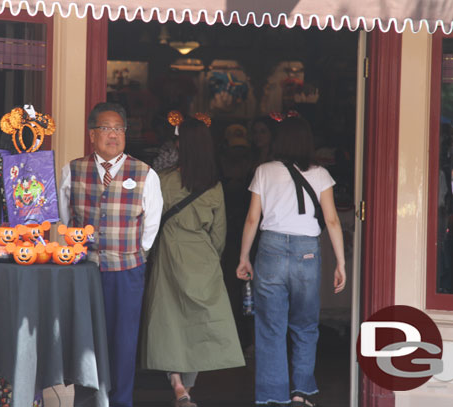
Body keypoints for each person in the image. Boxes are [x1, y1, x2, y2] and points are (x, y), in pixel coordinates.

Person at [235, 116, 346, 407]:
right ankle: (301, 393)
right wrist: (341, 262)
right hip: (307, 251)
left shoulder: (264, 171)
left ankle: (273, 395)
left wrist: (244, 256)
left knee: (270, 326)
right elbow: (332, 220)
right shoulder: (321, 174)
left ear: (279, 140)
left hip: (270, 249)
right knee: (305, 326)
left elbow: (251, 218)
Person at [59, 102, 163, 407]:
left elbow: (152, 222)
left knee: (123, 342)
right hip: (85, 270)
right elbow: (67, 218)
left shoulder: (144, 173)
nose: (113, 135)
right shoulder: (73, 169)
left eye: (119, 128)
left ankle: (120, 402)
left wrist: (133, 251)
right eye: (106, 128)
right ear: (92, 134)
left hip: (127, 271)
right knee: (85, 342)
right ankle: (88, 402)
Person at [142, 118, 245, 407]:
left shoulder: (163, 180)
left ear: (181, 146)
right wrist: (210, 256)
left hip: (169, 252)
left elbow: (148, 222)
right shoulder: (214, 186)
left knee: (168, 320)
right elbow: (220, 232)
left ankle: (177, 385)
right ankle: (189, 386)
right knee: (198, 323)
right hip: (203, 256)